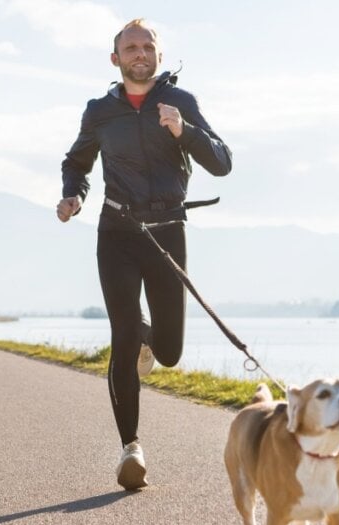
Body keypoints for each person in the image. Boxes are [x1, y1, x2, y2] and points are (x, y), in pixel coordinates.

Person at [57, 18, 232, 491]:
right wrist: (73, 195)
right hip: (117, 231)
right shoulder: (99, 112)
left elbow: (223, 162)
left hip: (168, 232)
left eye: (146, 46)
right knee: (123, 334)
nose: (139, 54)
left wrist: (185, 132)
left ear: (158, 53)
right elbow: (77, 163)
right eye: (129, 48)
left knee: (170, 352)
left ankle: (150, 339)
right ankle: (130, 448)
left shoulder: (181, 103)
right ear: (115, 59)